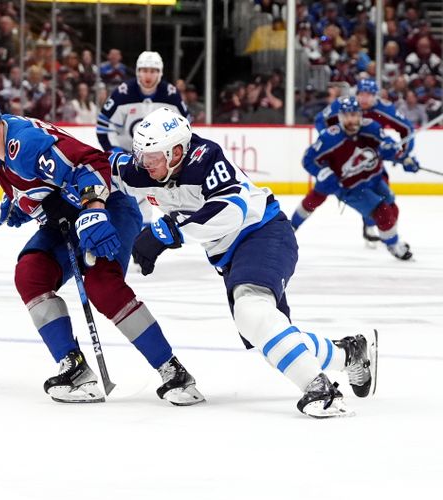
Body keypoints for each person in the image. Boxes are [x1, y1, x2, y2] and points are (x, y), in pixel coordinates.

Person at [113, 107, 377, 418]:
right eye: (142, 154)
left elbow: (231, 210)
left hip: (264, 233)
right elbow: (95, 168)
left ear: (177, 151)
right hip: (231, 254)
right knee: (266, 334)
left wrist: (167, 233)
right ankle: (350, 352)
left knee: (251, 312)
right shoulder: (142, 168)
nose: (145, 164)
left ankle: (321, 389)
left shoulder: (206, 158)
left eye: (154, 156)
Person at [0, 87, 204, 406]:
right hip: (66, 216)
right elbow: (35, 182)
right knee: (31, 274)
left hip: (109, 206)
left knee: (102, 286)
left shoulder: (24, 143)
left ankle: (174, 372)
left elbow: (94, 164)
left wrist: (94, 209)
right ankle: (75, 370)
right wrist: (16, 201)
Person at [294, 78, 419, 245]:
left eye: (369, 95)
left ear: (376, 96)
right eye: (362, 94)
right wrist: (331, 139)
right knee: (320, 192)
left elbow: (406, 129)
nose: (365, 99)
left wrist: (403, 155)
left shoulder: (383, 110)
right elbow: (320, 120)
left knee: (381, 190)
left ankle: (373, 227)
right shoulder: (342, 105)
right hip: (340, 157)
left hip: (369, 155)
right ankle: (291, 226)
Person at [97, 51, 190, 226]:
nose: (148, 75)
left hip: (158, 159)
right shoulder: (122, 93)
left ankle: (144, 234)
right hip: (128, 158)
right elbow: (103, 126)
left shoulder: (171, 95)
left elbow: (185, 127)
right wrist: (112, 150)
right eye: (144, 70)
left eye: (153, 71)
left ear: (160, 73)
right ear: (138, 71)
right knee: (125, 200)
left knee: (151, 199)